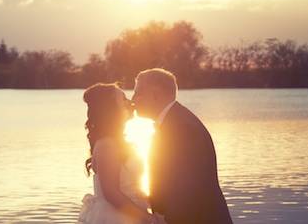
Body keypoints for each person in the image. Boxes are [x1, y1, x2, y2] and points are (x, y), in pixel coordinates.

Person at [132, 68, 233, 224]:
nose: (133, 99)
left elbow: (186, 189)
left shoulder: (181, 128)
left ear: (155, 95)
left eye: (138, 93)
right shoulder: (175, 121)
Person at [78, 83, 156, 224]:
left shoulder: (117, 142)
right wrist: (147, 219)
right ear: (110, 108)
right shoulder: (107, 145)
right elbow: (111, 193)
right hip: (116, 217)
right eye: (124, 100)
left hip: (129, 214)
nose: (130, 103)